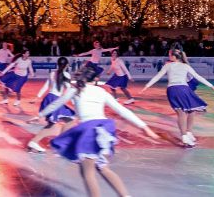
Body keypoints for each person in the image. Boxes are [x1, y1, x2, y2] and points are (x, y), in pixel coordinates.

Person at [40, 67, 159, 197]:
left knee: (88, 172)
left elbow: (56, 104)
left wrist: (40, 115)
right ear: (96, 79)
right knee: (102, 167)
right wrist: (144, 127)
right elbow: (122, 110)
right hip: (103, 131)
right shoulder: (101, 91)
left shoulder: (75, 90)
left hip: (88, 130)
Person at [139, 49, 214, 147]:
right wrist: (212, 87)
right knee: (188, 111)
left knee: (187, 112)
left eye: (170, 55)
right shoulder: (184, 66)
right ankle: (185, 136)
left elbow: (157, 77)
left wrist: (146, 86)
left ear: (174, 57)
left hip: (172, 90)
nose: (168, 56)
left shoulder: (168, 65)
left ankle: (187, 134)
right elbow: (198, 77)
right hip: (184, 89)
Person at [26, 57, 75, 153]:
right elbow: (69, 90)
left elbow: (46, 86)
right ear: (67, 65)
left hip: (49, 98)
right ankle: (56, 143)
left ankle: (36, 142)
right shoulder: (66, 75)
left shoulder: (52, 73)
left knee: (62, 121)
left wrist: (37, 97)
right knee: (67, 121)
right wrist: (74, 102)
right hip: (56, 99)